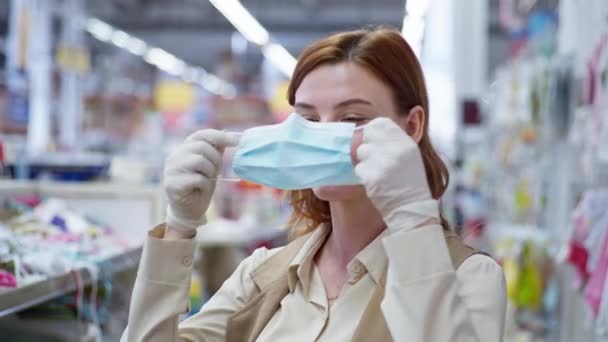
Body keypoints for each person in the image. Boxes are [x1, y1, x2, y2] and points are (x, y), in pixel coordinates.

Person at [121, 27, 506, 342]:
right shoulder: (263, 274)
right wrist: (177, 228)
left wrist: (411, 216)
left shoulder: (468, 277)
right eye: (308, 120)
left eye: (351, 118)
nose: (323, 136)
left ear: (411, 127)